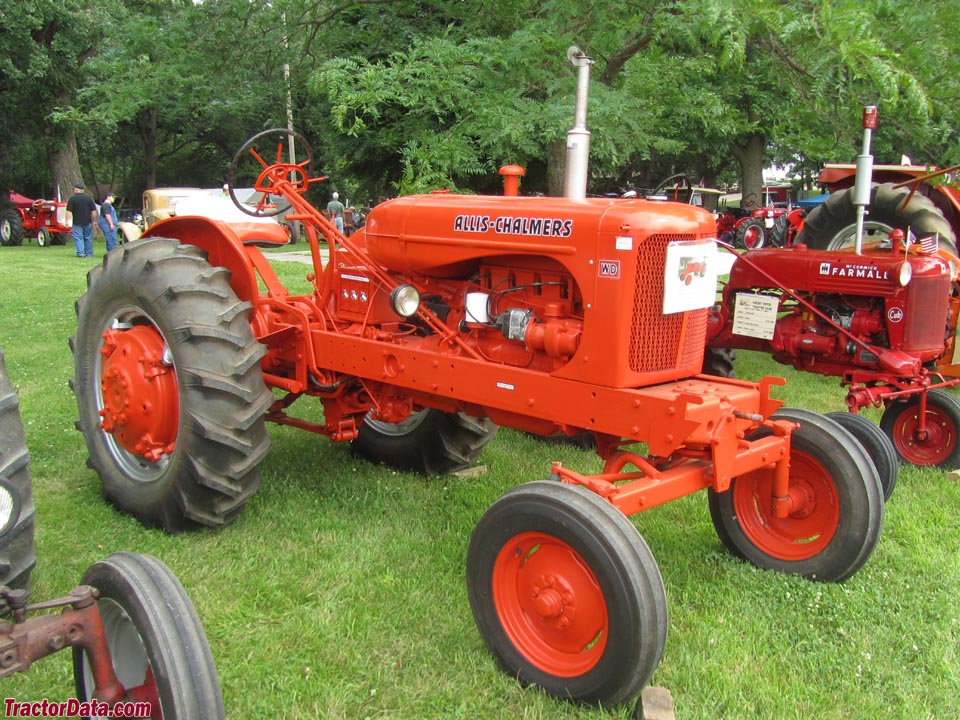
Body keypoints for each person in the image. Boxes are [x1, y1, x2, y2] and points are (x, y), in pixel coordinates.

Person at [66, 183, 98, 258]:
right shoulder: (88, 198)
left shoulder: (72, 199)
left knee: (78, 238)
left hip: (77, 222)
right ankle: (89, 253)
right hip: (88, 222)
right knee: (88, 237)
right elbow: (94, 211)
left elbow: (69, 211)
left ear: (76, 190)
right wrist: (95, 220)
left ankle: (81, 253)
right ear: (83, 190)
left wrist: (67, 221)